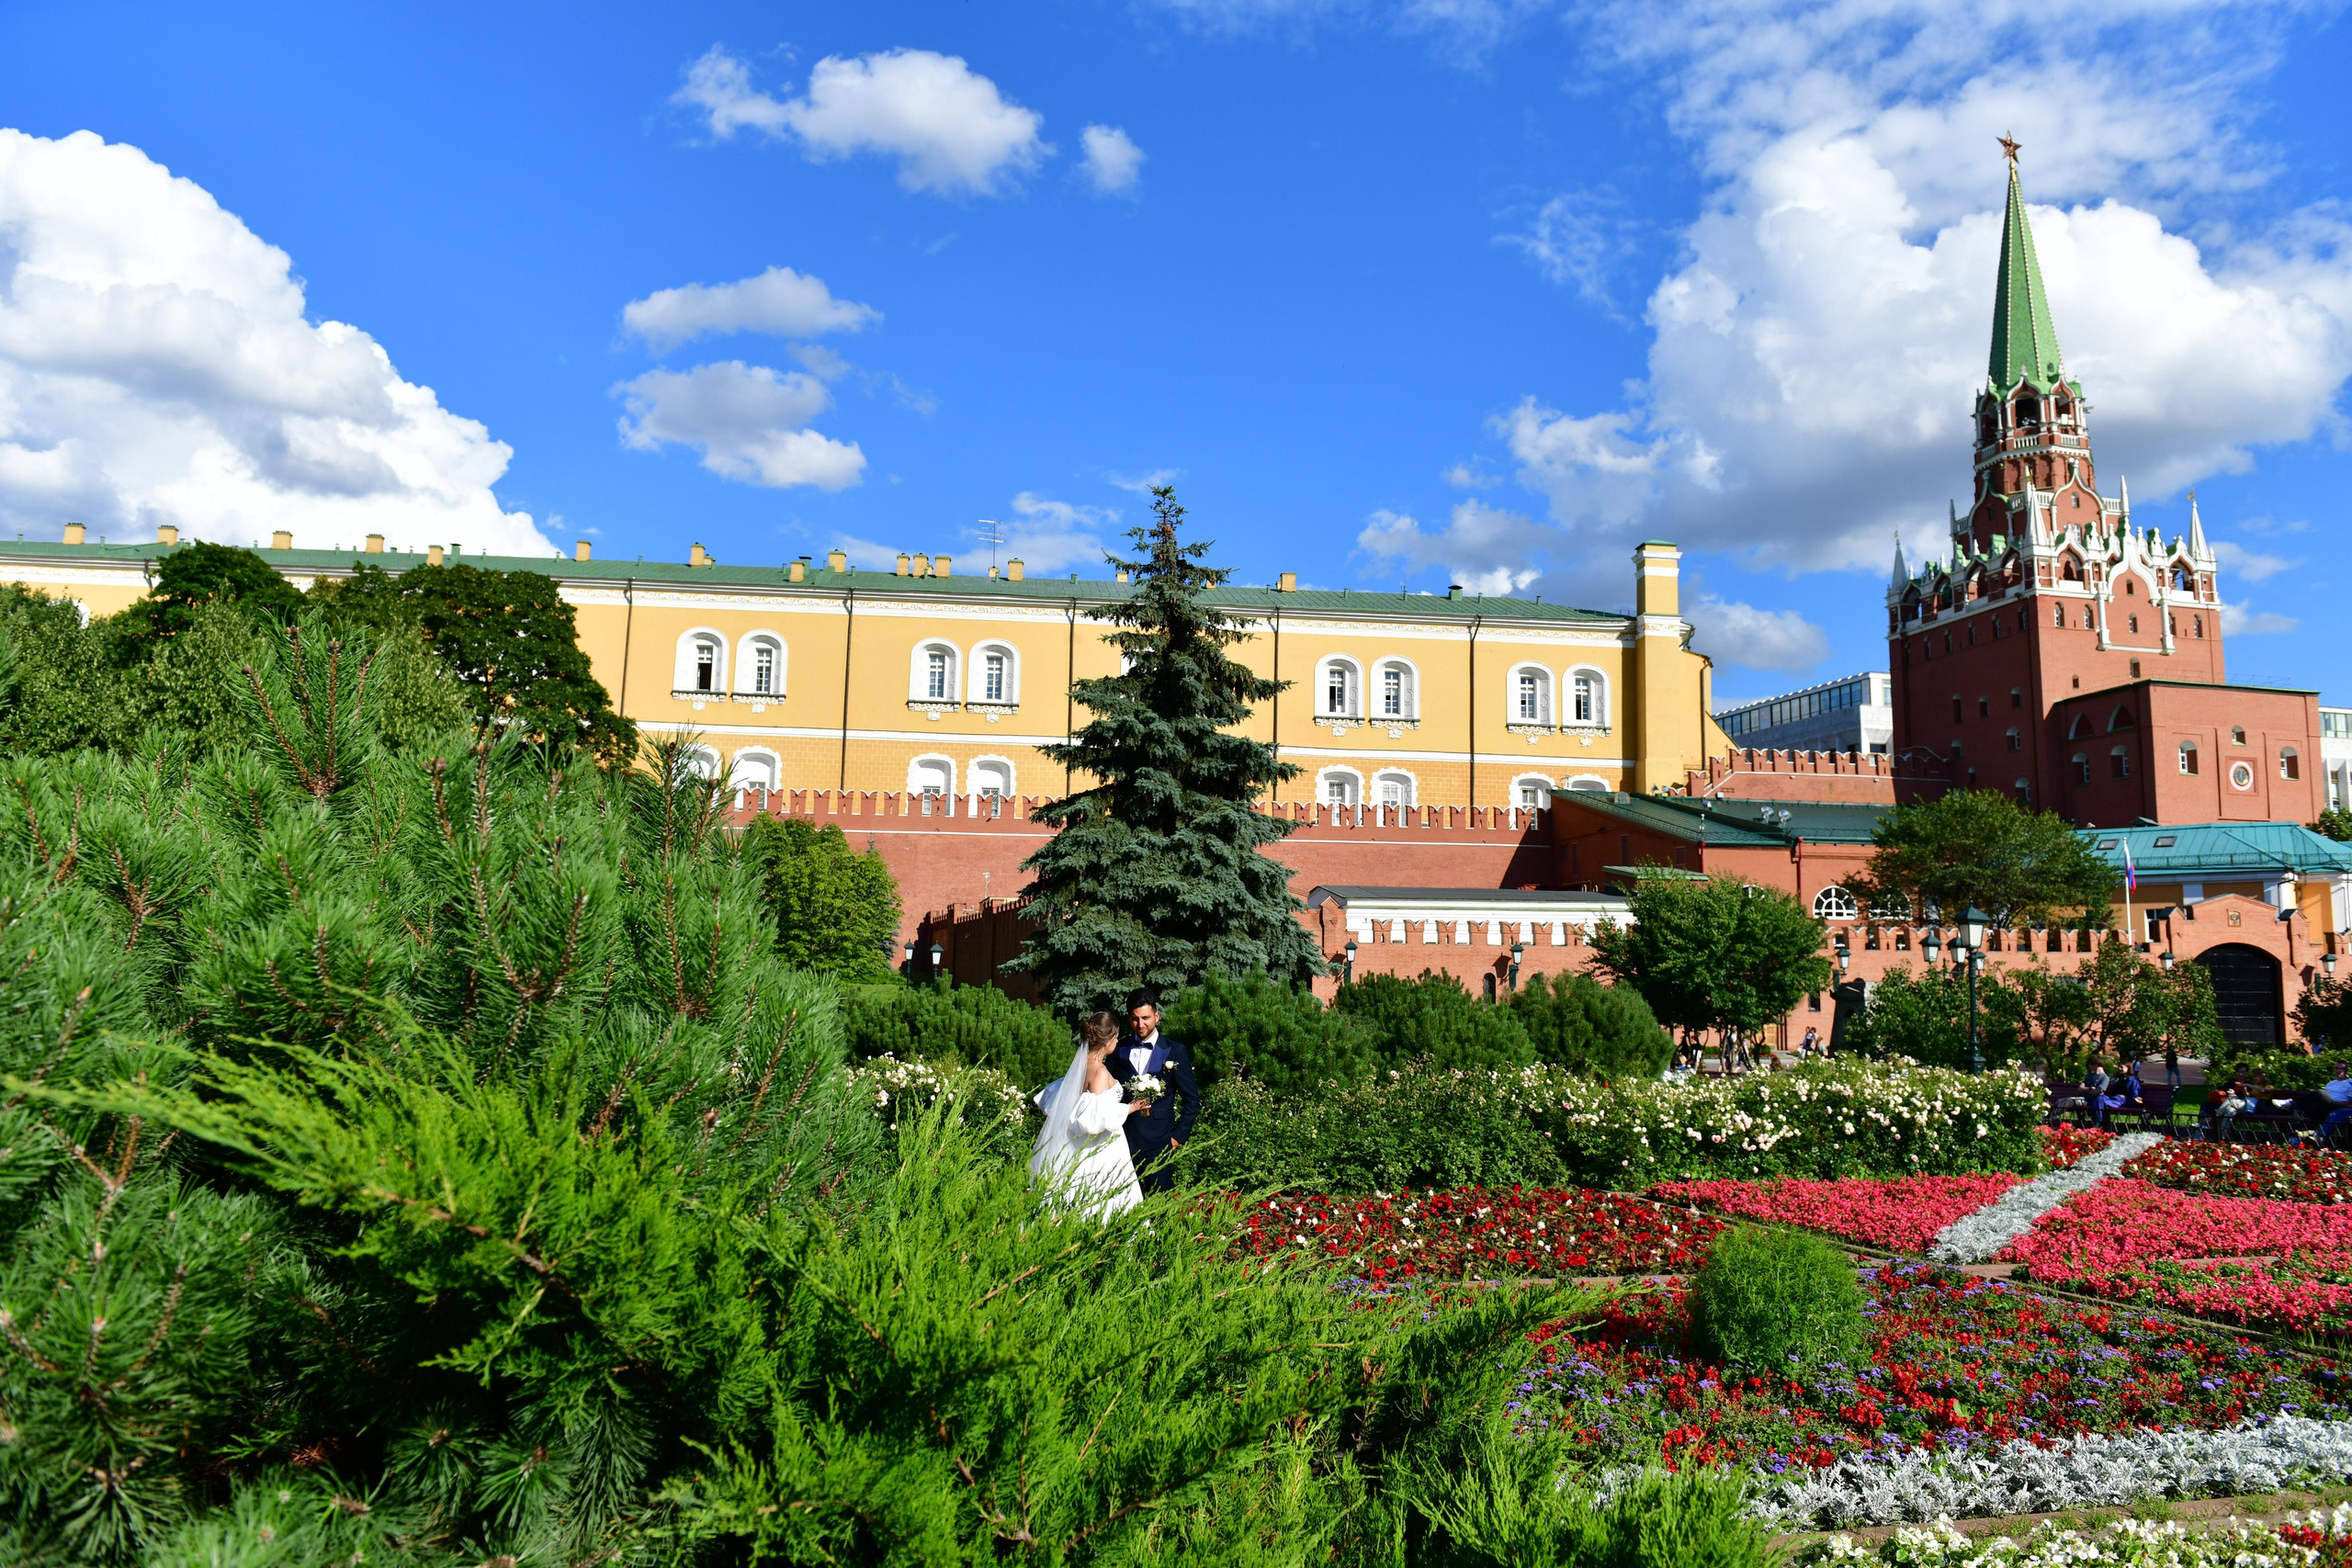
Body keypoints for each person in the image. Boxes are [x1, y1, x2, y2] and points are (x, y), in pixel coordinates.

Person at [1027, 1012, 1148, 1219]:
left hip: (1077, 1146)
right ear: (1108, 1039)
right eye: (1116, 1036)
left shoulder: (1079, 1067)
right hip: (1101, 1149)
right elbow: (1095, 1118)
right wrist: (1130, 1108)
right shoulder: (1099, 1071)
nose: (1117, 1041)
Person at [1106, 988, 1201, 1195]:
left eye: (1146, 1018)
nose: (1140, 1024)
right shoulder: (1118, 1049)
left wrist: (1177, 1138)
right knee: (1124, 1203)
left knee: (1159, 1205)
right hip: (1124, 1141)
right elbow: (1107, 1093)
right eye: (1135, 1019)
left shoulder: (1175, 1051)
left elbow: (1192, 1100)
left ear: (1156, 1016)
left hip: (1160, 1143)